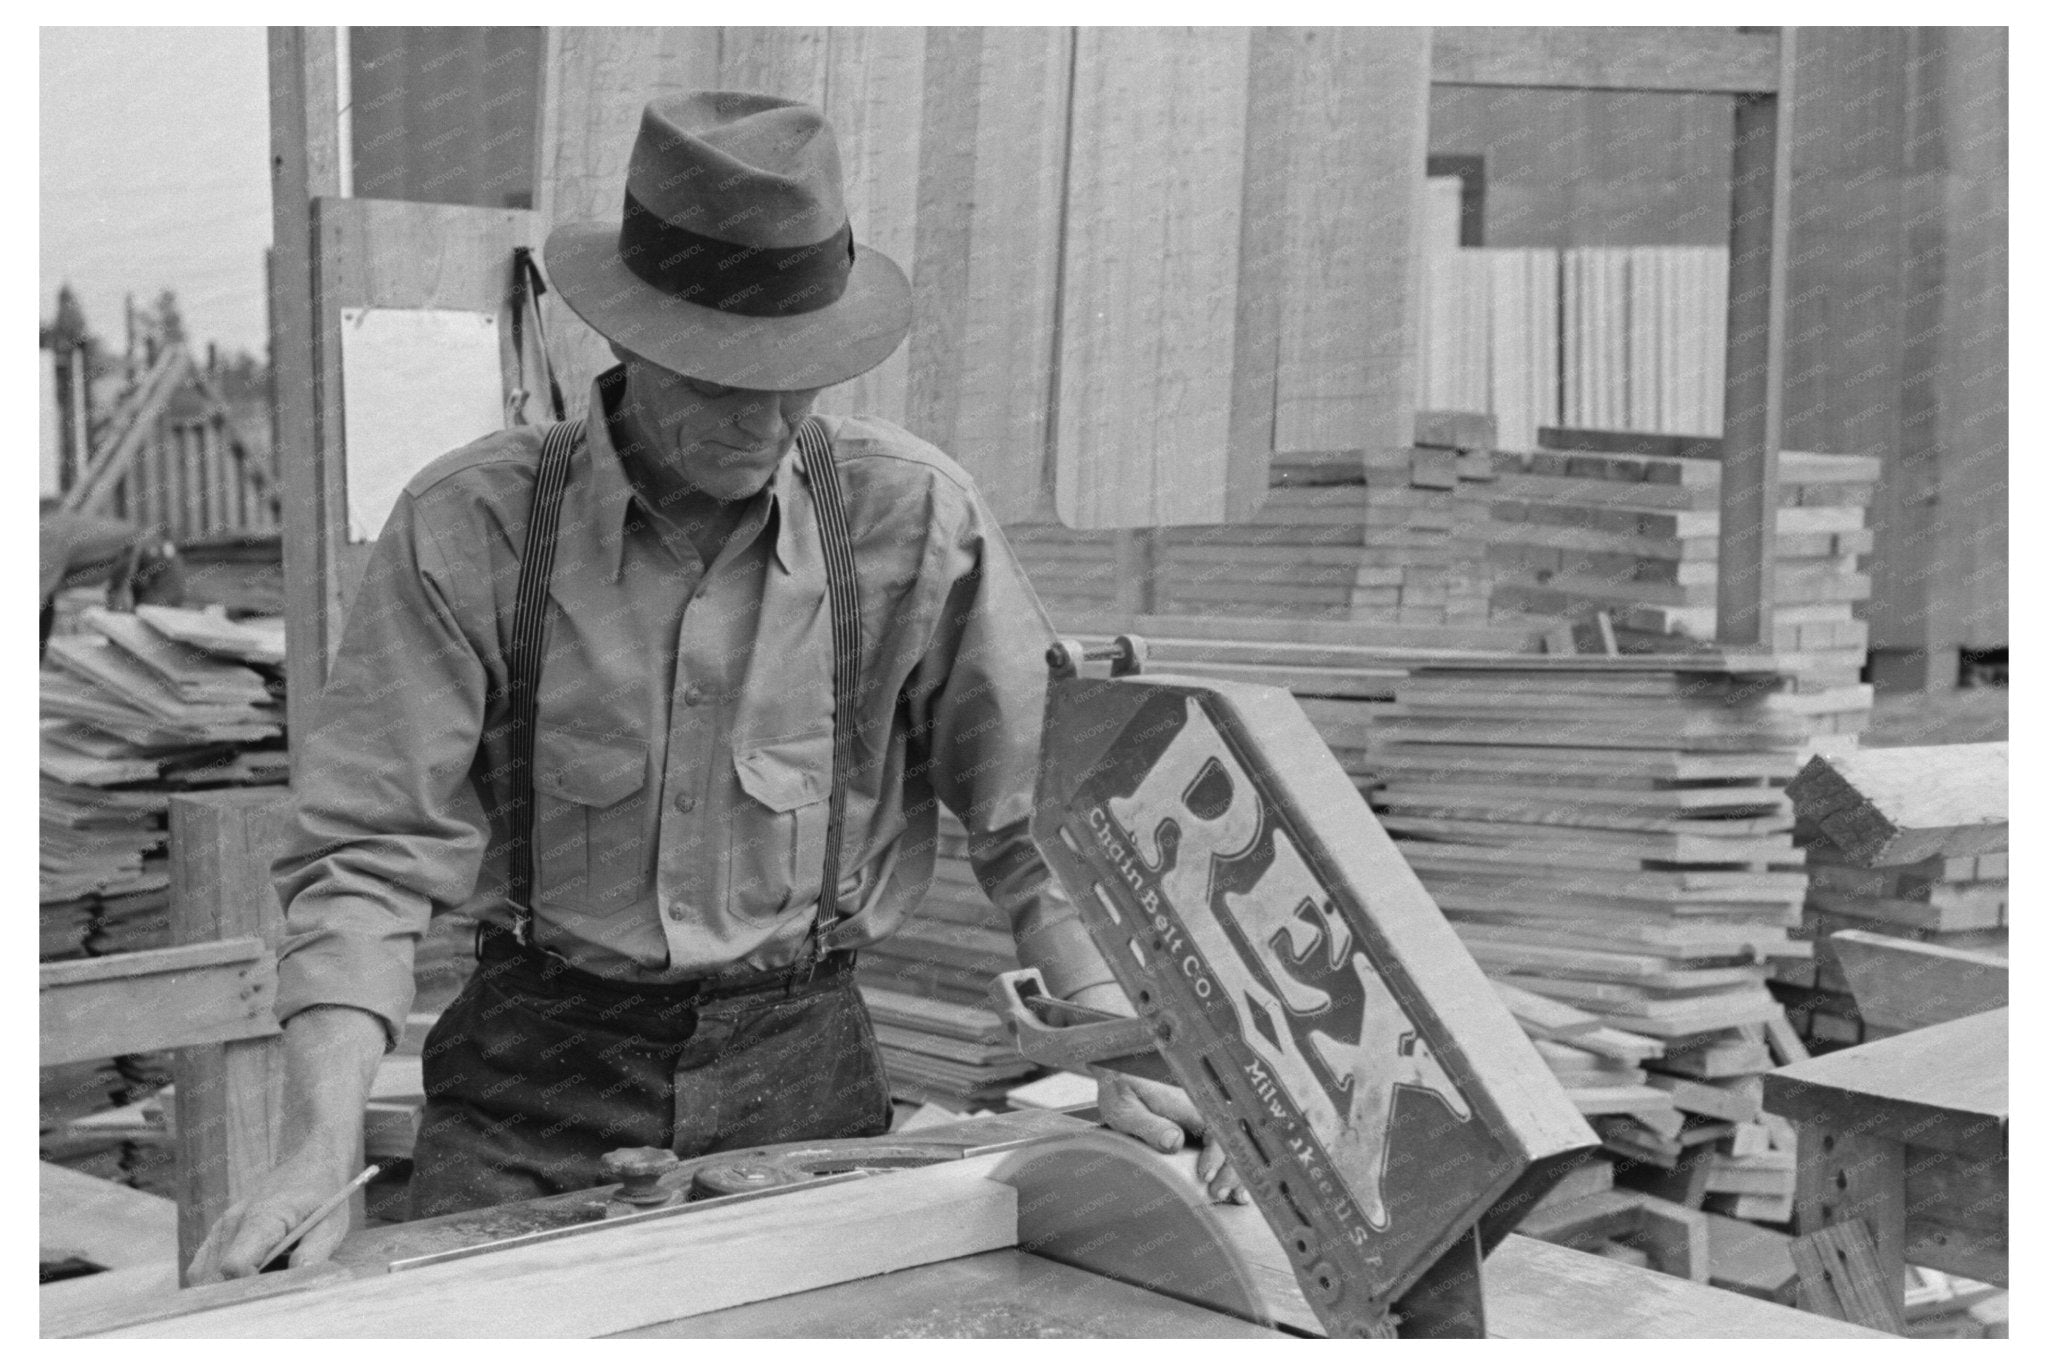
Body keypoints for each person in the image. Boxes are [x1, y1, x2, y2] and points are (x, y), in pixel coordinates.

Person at [192, 91, 1237, 1282]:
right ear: (626, 338)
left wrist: (1116, 1039)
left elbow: (1034, 820)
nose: (767, 416)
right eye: (722, 378)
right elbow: (367, 859)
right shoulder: (468, 526)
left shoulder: (912, 518)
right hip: (532, 1080)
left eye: (797, 376)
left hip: (802, 1076)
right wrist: (313, 1149)